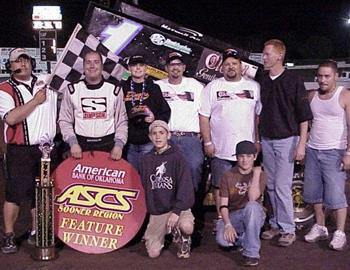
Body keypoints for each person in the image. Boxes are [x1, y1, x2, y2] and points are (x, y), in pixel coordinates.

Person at [0, 48, 57, 253]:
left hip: (47, 150)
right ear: (10, 66)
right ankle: (8, 234)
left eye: (26, 60)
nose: (22, 64)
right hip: (20, 151)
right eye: (17, 61)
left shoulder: (47, 80)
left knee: (41, 193)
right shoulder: (5, 89)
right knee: (14, 194)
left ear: (32, 63)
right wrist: (35, 101)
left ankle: (36, 231)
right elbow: (11, 118)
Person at [258, 39, 313, 246]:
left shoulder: (294, 80)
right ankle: (275, 224)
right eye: (263, 54)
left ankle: (288, 229)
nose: (264, 57)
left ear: (279, 56)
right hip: (266, 140)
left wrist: (301, 144)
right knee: (271, 187)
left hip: (287, 140)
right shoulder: (263, 78)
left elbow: (304, 116)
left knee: (281, 186)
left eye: (267, 54)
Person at [199, 48, 261, 227]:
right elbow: (204, 116)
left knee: (247, 188)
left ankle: (246, 221)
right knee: (220, 186)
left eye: (234, 63)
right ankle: (222, 221)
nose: (231, 66)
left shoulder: (253, 87)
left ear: (241, 66)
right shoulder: (212, 87)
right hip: (221, 149)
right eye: (227, 64)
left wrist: (257, 140)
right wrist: (208, 142)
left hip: (247, 152)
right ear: (221, 68)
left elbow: (257, 117)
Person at [303, 60, 350, 251]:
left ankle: (340, 233)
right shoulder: (312, 95)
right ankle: (321, 226)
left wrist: (348, 153)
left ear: (336, 76)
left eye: (327, 76)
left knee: (336, 195)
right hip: (313, 150)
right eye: (320, 76)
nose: (322, 80)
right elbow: (305, 121)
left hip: (335, 152)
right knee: (314, 194)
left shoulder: (345, 96)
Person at [140, 120, 195, 259]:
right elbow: (144, 187)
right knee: (153, 253)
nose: (158, 137)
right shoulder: (146, 160)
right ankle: (170, 233)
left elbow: (186, 187)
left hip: (178, 208)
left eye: (161, 133)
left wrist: (176, 212)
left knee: (187, 226)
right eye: (154, 133)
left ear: (168, 135)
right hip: (158, 211)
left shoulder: (178, 157)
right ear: (150, 137)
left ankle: (182, 237)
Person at [58, 50, 128, 160]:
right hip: (79, 147)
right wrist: (73, 143)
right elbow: (64, 120)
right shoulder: (72, 89)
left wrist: (119, 145)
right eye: (88, 62)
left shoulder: (115, 89)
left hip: (109, 147)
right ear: (83, 66)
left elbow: (122, 121)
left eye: (96, 62)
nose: (92, 66)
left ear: (102, 66)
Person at [155, 51, 204, 192]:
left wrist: (205, 136)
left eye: (178, 64)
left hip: (190, 138)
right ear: (166, 68)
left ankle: (189, 206)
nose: (175, 67)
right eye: (171, 64)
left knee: (194, 167)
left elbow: (204, 113)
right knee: (164, 173)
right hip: (166, 138)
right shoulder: (157, 86)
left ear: (184, 67)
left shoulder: (196, 86)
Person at [216, 141, 266, 267]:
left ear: (254, 157)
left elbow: (253, 197)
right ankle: (248, 237)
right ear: (237, 157)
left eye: (249, 156)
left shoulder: (260, 175)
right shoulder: (228, 175)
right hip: (235, 216)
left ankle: (251, 254)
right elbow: (223, 205)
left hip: (254, 213)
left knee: (252, 206)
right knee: (222, 241)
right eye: (241, 156)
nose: (245, 160)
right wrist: (227, 224)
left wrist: (255, 174)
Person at [121, 55, 170, 171]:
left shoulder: (154, 88)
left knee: (147, 175)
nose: (138, 68)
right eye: (134, 65)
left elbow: (165, 111)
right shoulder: (122, 87)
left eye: (141, 65)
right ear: (129, 68)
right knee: (129, 177)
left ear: (146, 68)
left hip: (148, 141)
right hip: (128, 142)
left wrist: (154, 118)